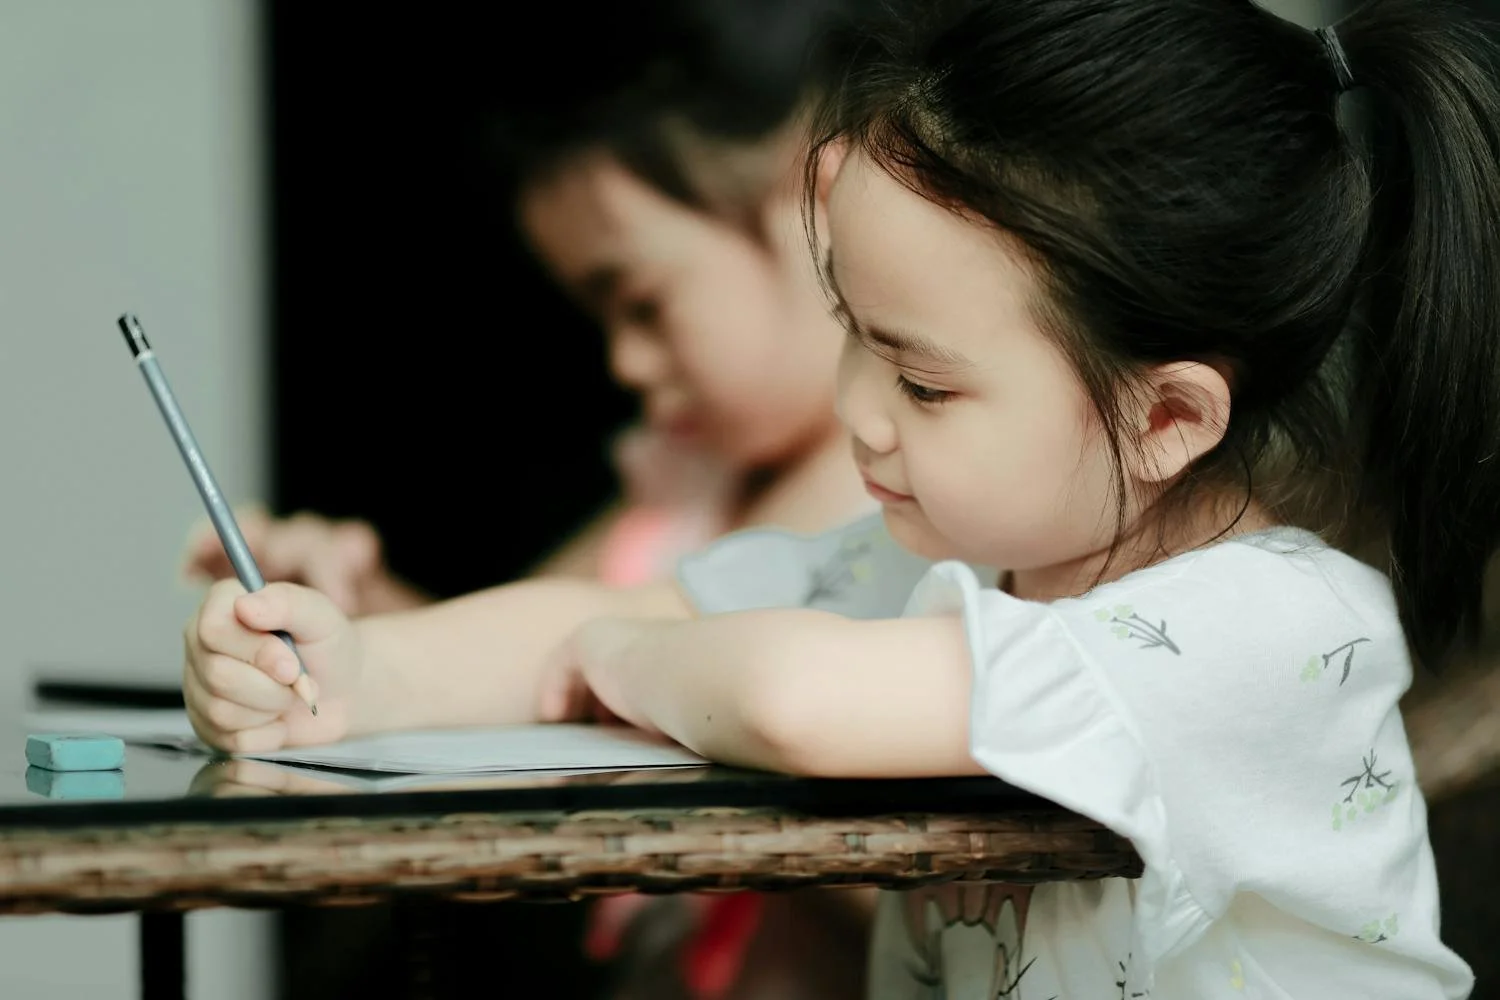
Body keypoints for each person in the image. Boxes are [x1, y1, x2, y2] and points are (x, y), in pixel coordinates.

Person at [183, 0, 1499, 994]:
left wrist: (619, 650)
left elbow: (790, 697)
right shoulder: (942, 567)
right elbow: (585, 616)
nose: (858, 410)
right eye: (853, 332)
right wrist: (346, 671)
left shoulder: (1271, 630)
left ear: (1165, 419)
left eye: (924, 384)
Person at [185, 3, 879, 997]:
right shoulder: (688, 486)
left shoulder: (891, 500)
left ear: (812, 200)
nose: (624, 358)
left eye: (642, 301)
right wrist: (353, 626)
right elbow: (541, 658)